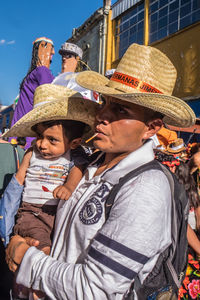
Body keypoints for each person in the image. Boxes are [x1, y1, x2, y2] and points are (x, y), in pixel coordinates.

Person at [6, 43, 196, 299]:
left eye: (121, 110)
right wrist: (37, 246)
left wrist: (25, 258)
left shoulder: (145, 188)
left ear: (151, 128)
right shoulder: (91, 163)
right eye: (105, 102)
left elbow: (95, 289)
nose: (102, 115)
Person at [10, 37, 55, 149]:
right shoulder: (42, 71)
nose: (53, 52)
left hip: (18, 133)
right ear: (41, 48)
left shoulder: (31, 75)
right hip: (31, 136)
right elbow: (50, 98)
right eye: (50, 48)